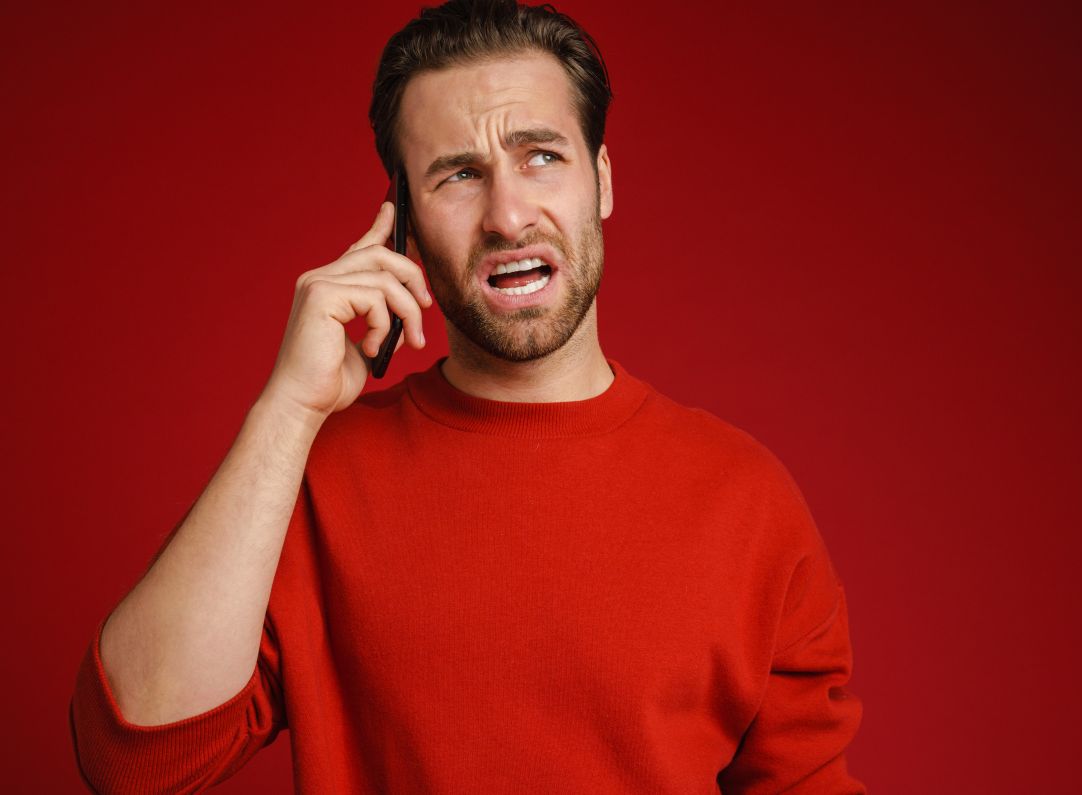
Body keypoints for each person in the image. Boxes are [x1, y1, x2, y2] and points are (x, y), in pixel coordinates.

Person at [69, 1, 865, 792]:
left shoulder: (747, 500)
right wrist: (287, 410)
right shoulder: (314, 478)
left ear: (604, 181)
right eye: (458, 175)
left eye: (541, 156)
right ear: (403, 226)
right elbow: (135, 761)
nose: (508, 215)